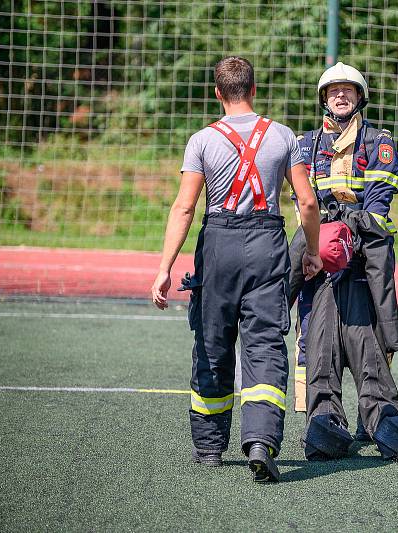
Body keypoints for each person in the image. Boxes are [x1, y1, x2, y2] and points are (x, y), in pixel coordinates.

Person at [150, 56, 322, 483]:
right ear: (254, 90)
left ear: (217, 93)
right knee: (264, 342)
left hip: (219, 245)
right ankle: (261, 442)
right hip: (267, 245)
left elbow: (185, 207)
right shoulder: (283, 136)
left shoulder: (201, 141)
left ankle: (209, 446)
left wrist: (164, 267)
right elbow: (308, 203)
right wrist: (312, 252)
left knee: (213, 339)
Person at [288, 62, 398, 461]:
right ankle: (325, 419)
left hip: (363, 259)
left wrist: (350, 228)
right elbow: (303, 199)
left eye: (348, 90)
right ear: (323, 99)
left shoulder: (378, 140)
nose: (340, 96)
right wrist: (324, 236)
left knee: (368, 341)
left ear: (360, 96)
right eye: (333, 91)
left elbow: (379, 201)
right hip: (322, 261)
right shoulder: (306, 143)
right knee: (321, 339)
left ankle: (380, 416)